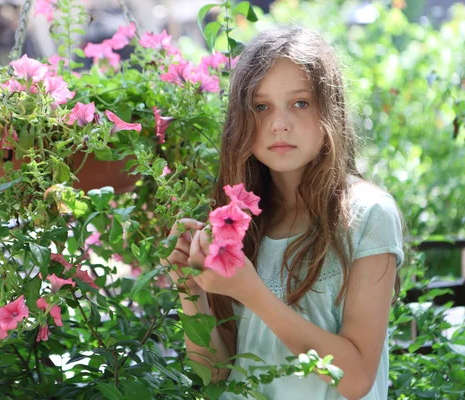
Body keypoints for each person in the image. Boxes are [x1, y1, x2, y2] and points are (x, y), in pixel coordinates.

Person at [161, 26, 404, 400]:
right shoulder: (240, 219)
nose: (279, 123)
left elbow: (355, 379)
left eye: (300, 103)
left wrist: (252, 293)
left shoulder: (367, 214)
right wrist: (191, 291)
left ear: (330, 109)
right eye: (261, 106)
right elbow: (216, 376)